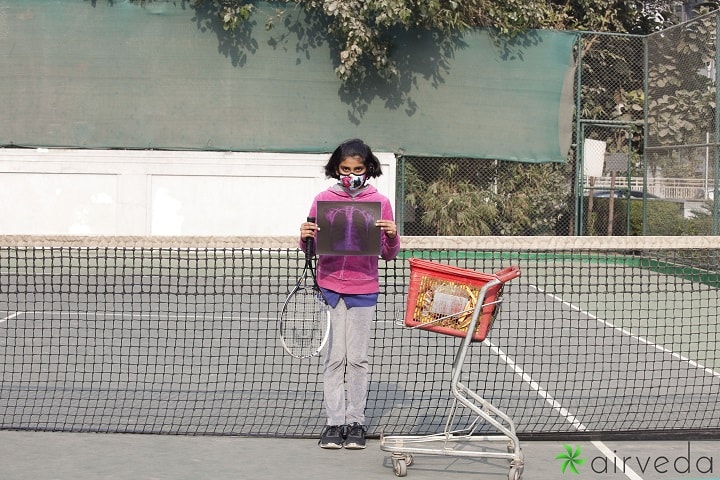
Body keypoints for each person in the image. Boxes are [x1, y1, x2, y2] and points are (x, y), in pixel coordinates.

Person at [300, 138, 400, 450]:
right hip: (330, 288)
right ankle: (334, 423)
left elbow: (388, 254)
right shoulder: (322, 199)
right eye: (345, 169)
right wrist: (304, 238)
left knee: (357, 359)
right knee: (334, 359)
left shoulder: (380, 202)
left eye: (358, 169)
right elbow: (312, 246)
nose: (351, 174)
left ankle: (356, 421)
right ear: (336, 169)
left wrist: (393, 237)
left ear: (368, 169)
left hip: (364, 289)